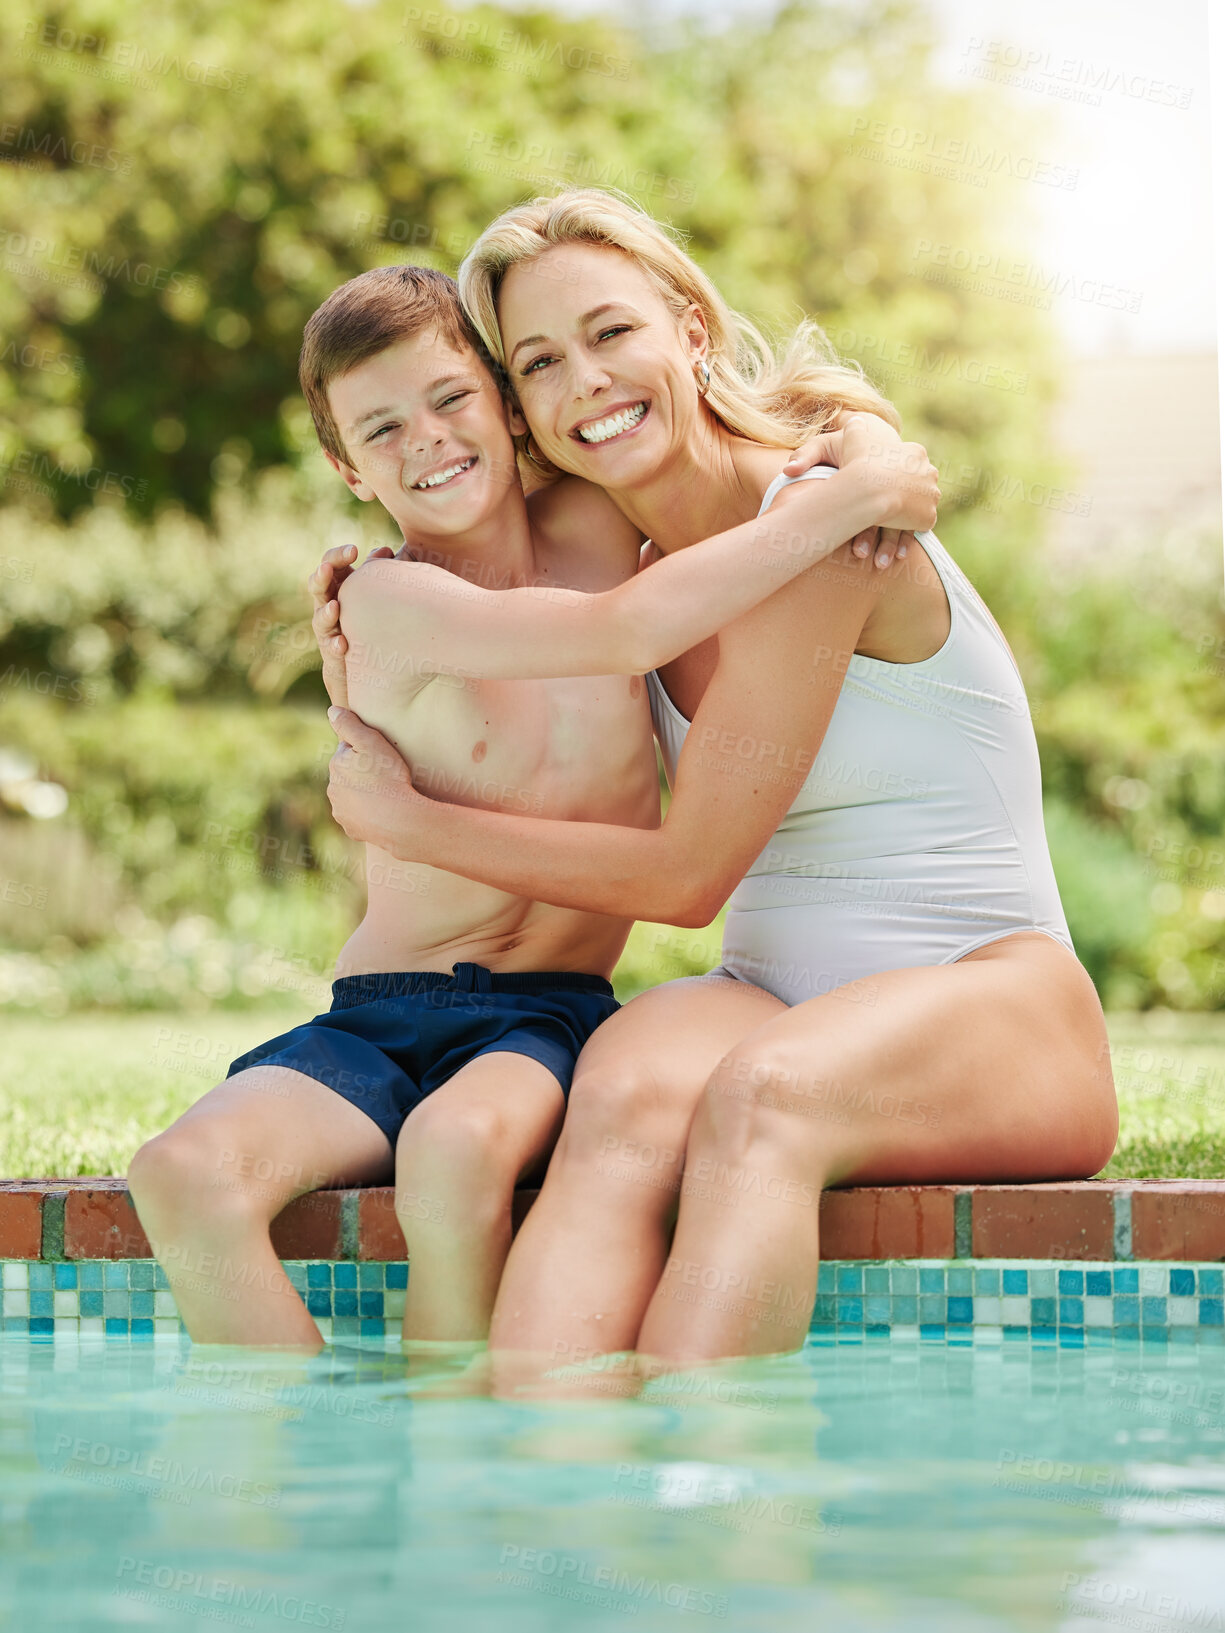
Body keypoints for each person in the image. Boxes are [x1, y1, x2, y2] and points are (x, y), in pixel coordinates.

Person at [317, 189, 1118, 1383]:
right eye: (539, 361)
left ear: (689, 329)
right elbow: (458, 552)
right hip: (767, 989)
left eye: (610, 332)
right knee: (623, 1093)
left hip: (990, 993)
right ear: (519, 409)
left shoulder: (824, 525)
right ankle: (526, 1492)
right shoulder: (610, 570)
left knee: (760, 1102)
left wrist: (409, 820)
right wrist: (363, 600)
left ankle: (726, 1529)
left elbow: (688, 877)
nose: (584, 379)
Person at [127, 261, 934, 1351]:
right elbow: (622, 634)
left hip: (543, 1012)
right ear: (345, 468)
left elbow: (741, 442)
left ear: (508, 408)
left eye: (451, 399)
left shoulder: (603, 519)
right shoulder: (386, 598)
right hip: (383, 1009)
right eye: (380, 429)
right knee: (180, 1173)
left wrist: (870, 454)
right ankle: (300, 1488)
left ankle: (460, 1468)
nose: (428, 441)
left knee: (454, 1150)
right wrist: (848, 504)